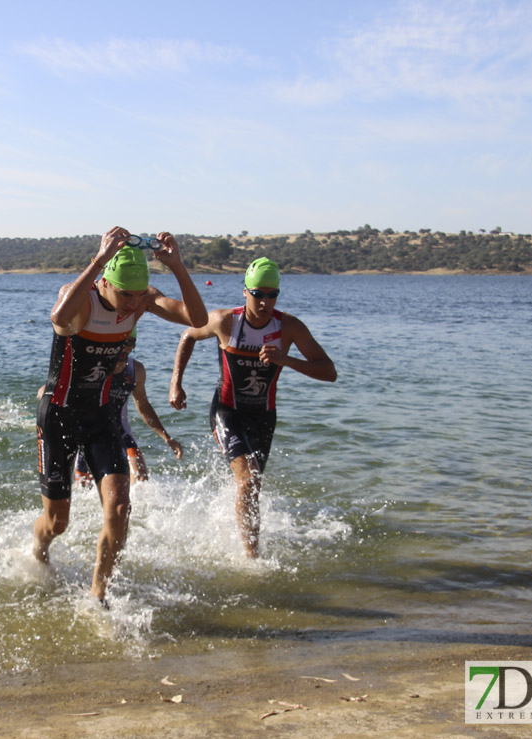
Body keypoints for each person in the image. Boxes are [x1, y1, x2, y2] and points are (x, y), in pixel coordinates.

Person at [34, 226, 207, 603]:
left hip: (100, 415)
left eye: (138, 294)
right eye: (125, 294)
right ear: (104, 283)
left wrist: (177, 266)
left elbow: (196, 319)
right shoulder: (80, 298)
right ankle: (38, 550)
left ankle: (98, 593)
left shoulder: (141, 301)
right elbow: (60, 320)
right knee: (57, 522)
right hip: (58, 414)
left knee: (119, 508)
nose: (133, 304)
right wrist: (97, 259)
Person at [169, 258, 336, 558]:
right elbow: (188, 335)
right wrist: (175, 383)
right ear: (245, 291)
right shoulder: (225, 321)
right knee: (249, 479)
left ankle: (245, 544)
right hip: (226, 411)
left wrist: (287, 360)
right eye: (258, 293)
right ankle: (251, 557)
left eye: (273, 295)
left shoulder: (289, 328)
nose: (265, 301)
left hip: (263, 417)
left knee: (252, 486)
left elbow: (328, 371)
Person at [74, 328, 183, 485]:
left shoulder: (135, 371)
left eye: (130, 342)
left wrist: (166, 437)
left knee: (141, 481)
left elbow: (143, 406)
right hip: (88, 436)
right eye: (121, 342)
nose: (125, 348)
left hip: (121, 433)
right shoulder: (93, 366)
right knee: (85, 491)